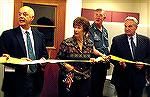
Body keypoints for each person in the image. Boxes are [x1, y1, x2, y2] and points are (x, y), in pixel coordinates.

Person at [0, 6, 49, 97]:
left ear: (32, 18)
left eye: (25, 14)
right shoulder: (7, 35)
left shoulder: (40, 35)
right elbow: (2, 57)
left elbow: (44, 54)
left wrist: (43, 60)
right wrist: (19, 61)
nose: (21, 16)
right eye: (19, 14)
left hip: (35, 81)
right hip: (15, 82)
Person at [57, 17, 108, 97]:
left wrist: (93, 60)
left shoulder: (89, 43)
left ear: (84, 30)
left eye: (79, 27)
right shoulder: (66, 43)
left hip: (85, 79)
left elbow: (89, 57)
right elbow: (58, 59)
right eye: (75, 27)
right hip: (70, 79)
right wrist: (66, 65)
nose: (76, 30)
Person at [110, 16, 150, 97]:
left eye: (130, 26)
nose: (127, 28)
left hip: (138, 78)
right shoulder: (117, 40)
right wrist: (119, 64)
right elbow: (112, 57)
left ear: (136, 27)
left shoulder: (145, 40)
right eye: (125, 26)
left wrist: (144, 64)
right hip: (122, 79)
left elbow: (149, 56)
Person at [89, 8, 110, 97]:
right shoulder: (90, 30)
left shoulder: (105, 31)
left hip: (104, 64)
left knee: (101, 86)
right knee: (93, 88)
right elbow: (91, 48)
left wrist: (108, 57)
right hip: (95, 64)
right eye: (96, 15)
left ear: (104, 17)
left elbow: (106, 47)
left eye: (100, 15)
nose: (98, 17)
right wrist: (102, 55)